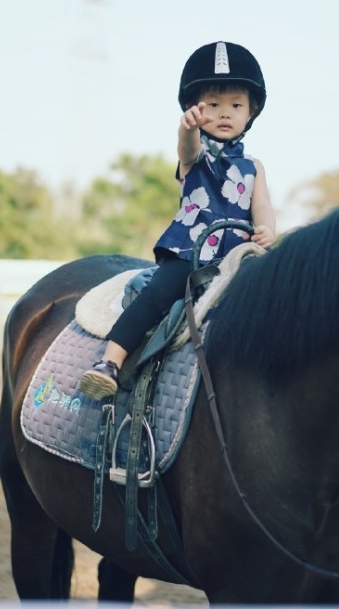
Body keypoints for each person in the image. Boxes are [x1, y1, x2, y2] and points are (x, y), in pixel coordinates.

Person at [78, 41, 276, 400]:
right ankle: (109, 361)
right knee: (158, 294)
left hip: (236, 256)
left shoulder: (254, 167)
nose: (224, 113)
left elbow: (262, 207)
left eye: (235, 105)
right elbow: (186, 148)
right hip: (191, 251)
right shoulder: (197, 155)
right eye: (212, 105)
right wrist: (187, 129)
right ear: (194, 109)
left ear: (251, 112)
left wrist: (266, 231)